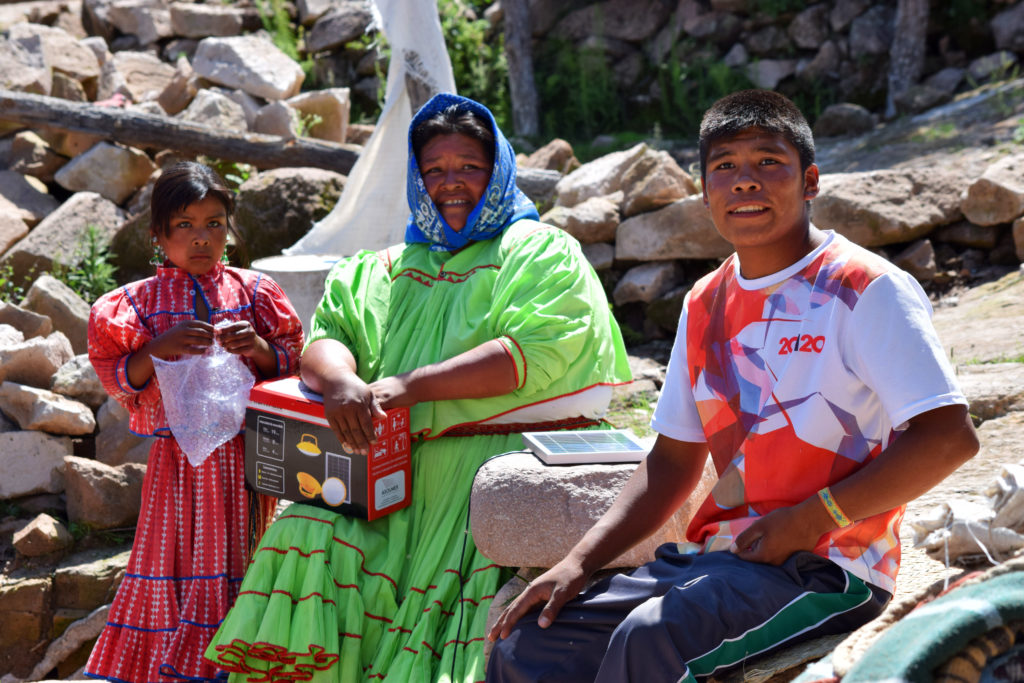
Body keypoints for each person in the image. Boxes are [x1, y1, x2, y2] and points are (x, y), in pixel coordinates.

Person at [486, 89, 981, 683]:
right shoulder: (704, 303)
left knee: (651, 640)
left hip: (829, 568)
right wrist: (578, 561)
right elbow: (671, 461)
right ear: (704, 192)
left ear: (811, 181)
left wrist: (807, 520)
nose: (745, 181)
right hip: (717, 562)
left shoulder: (865, 288)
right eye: (725, 167)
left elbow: (950, 438)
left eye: (769, 162)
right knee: (530, 643)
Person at [204, 93, 632, 682]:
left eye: (468, 169)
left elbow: (532, 355)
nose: (450, 184)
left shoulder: (538, 252)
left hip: (492, 468)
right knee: (305, 530)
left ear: (499, 170)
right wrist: (341, 382)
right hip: (386, 472)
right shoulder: (380, 267)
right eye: (434, 171)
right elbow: (328, 336)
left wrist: (405, 386)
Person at [85, 162, 305, 683]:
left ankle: (237, 659)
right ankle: (174, 664)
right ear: (158, 234)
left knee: (244, 553)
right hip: (176, 463)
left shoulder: (255, 292)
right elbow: (117, 378)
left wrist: (256, 347)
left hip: (250, 461)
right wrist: (156, 348)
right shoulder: (134, 303)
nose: (201, 238)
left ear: (229, 229)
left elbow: (293, 360)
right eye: (184, 225)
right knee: (173, 555)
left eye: (214, 223)